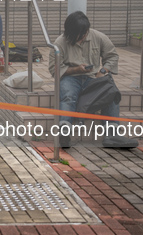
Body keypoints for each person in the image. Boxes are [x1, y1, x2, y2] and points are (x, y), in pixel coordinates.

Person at [49, 11, 138, 149]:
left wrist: (103, 71)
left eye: (83, 34)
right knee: (68, 95)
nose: (80, 38)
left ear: (87, 31)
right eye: (76, 36)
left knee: (111, 92)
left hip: (93, 77)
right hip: (70, 77)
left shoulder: (99, 37)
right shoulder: (60, 42)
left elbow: (112, 56)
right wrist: (76, 70)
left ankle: (112, 134)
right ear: (69, 32)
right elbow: (54, 69)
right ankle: (64, 130)